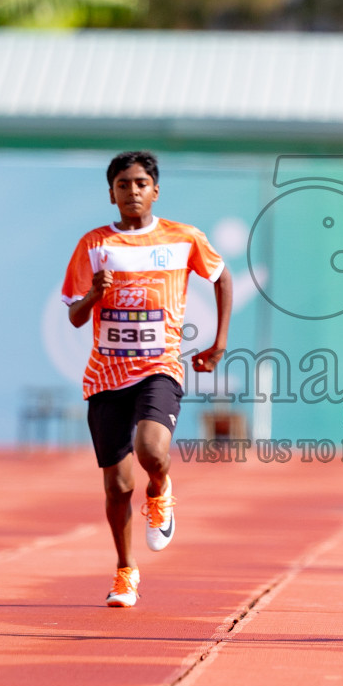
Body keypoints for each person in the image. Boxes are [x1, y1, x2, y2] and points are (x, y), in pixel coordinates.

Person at [62, 151, 232, 608]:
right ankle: (125, 572)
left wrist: (218, 342)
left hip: (159, 368)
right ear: (111, 192)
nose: (132, 191)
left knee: (152, 451)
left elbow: (221, 277)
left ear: (155, 190)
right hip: (105, 376)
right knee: (117, 486)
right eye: (122, 184)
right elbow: (75, 316)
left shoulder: (183, 238)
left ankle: (161, 491)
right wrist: (94, 295)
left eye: (140, 183)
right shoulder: (94, 245)